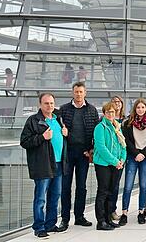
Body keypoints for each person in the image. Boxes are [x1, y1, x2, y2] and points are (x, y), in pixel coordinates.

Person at [21, 93, 67, 238]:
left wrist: (66, 133)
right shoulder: (33, 120)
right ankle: (39, 227)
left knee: (55, 196)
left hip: (59, 163)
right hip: (43, 165)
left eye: (52, 103)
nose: (50, 106)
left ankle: (50, 224)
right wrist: (42, 137)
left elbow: (62, 139)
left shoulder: (58, 119)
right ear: (40, 105)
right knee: (40, 198)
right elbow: (25, 142)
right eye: (46, 103)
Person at [59, 82, 98, 229]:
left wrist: (91, 150)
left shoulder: (92, 110)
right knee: (65, 187)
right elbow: (59, 130)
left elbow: (96, 133)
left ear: (85, 93)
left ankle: (79, 216)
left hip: (84, 154)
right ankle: (64, 218)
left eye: (81, 92)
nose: (78, 94)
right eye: (76, 92)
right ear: (72, 93)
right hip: (68, 154)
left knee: (81, 187)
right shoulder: (63, 109)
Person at [121, 99, 146, 225]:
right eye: (138, 107)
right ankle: (124, 213)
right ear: (135, 109)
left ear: (145, 109)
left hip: (145, 158)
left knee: (143, 186)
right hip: (132, 157)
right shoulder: (128, 123)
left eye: (142, 107)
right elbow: (127, 141)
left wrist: (143, 154)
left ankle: (141, 213)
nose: (140, 109)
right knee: (128, 186)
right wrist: (136, 153)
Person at [93, 102, 126, 231]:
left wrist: (122, 160)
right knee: (103, 192)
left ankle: (108, 219)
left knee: (111, 192)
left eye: (113, 112)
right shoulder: (100, 127)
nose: (111, 114)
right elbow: (101, 148)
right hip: (103, 164)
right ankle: (101, 221)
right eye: (108, 112)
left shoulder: (117, 127)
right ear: (104, 113)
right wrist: (114, 161)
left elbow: (123, 145)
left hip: (117, 164)